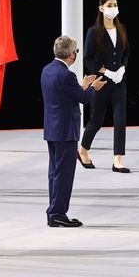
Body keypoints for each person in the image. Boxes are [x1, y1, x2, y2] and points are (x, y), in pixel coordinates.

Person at [42, 35, 106, 227]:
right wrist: (93, 88)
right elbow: (84, 98)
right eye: (76, 52)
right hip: (66, 131)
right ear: (71, 55)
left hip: (52, 129)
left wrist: (83, 87)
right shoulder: (66, 75)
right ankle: (58, 213)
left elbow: (66, 95)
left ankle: (53, 211)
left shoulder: (47, 70)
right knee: (64, 174)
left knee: (54, 172)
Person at [79, 0, 131, 173]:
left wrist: (122, 68)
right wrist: (106, 71)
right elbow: (87, 58)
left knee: (120, 120)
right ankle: (83, 150)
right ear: (101, 8)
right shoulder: (94, 32)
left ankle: (118, 160)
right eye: (109, 5)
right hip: (101, 82)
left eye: (115, 4)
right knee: (97, 119)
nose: (113, 8)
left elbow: (126, 53)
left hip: (119, 82)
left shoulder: (121, 28)